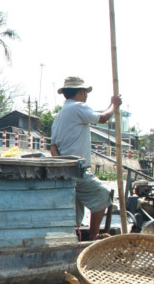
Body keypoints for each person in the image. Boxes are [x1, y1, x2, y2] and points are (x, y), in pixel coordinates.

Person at [49, 76, 122, 240]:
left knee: (76, 208)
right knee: (103, 194)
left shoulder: (59, 115)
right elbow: (102, 118)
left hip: (67, 169)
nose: (86, 95)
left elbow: (53, 146)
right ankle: (94, 235)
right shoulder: (78, 107)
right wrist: (114, 105)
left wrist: (63, 165)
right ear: (81, 92)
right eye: (85, 92)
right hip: (77, 168)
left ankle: (73, 236)